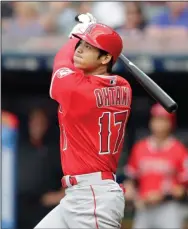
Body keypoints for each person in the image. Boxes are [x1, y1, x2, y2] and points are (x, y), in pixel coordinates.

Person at [35, 13, 132, 229]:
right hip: (82, 194)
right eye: (81, 45)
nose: (79, 49)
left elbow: (61, 61)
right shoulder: (124, 86)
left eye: (88, 47)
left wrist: (76, 34)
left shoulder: (78, 89)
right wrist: (87, 34)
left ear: (106, 58)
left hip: (93, 198)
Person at [124, 103, 188, 229]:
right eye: (156, 119)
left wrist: (162, 195)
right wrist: (131, 192)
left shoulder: (180, 150)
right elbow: (130, 180)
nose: (159, 124)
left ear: (171, 123)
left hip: (169, 208)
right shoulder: (140, 148)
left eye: (163, 120)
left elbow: (183, 189)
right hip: (144, 207)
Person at [17, 107, 63, 229]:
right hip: (20, 209)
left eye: (41, 122)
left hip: (45, 209)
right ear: (29, 124)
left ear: (46, 126)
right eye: (34, 122)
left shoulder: (53, 152)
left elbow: (69, 179)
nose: (37, 126)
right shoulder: (18, 149)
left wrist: (60, 195)